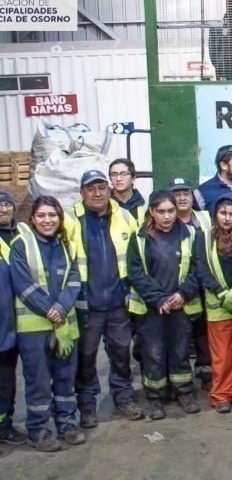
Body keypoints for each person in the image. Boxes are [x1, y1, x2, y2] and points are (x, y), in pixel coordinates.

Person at [67, 170, 144, 429]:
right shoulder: (70, 219)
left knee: (121, 355)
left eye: (101, 187)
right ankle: (87, 405)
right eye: (91, 189)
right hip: (86, 305)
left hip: (118, 303)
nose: (97, 193)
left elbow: (136, 256)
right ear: (82, 193)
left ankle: (123, 398)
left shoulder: (123, 216)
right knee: (86, 358)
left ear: (109, 189)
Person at [11, 196, 84, 451]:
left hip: (65, 327)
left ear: (59, 218)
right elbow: (22, 284)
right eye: (41, 215)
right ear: (32, 218)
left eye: (52, 215)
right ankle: (38, 431)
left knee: (65, 379)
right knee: (39, 383)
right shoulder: (21, 245)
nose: (47, 220)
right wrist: (49, 310)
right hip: (34, 330)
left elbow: (75, 279)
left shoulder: (66, 245)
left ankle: (67, 424)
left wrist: (61, 307)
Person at [127, 190, 203, 420]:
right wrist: (158, 298)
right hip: (152, 309)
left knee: (180, 351)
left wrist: (182, 294)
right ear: (151, 212)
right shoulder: (140, 238)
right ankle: (156, 398)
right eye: (161, 212)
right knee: (154, 353)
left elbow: (198, 269)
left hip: (181, 305)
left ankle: (183, 393)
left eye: (171, 211)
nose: (167, 216)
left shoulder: (190, 234)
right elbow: (136, 273)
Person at [193, 194, 232, 414]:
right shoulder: (204, 237)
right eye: (222, 213)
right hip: (217, 305)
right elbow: (201, 268)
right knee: (222, 354)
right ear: (215, 214)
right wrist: (221, 292)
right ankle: (222, 396)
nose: (227, 219)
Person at [169, 177, 212, 391]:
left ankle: (206, 373)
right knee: (180, 338)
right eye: (177, 194)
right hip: (178, 290)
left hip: (204, 286)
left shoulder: (205, 218)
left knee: (203, 334)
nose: (182, 198)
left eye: (186, 193)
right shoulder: (166, 221)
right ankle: (181, 382)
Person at [0, 189, 29, 445]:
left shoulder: (25, 233)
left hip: (22, 320)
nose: (3, 209)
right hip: (1, 322)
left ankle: (5, 425)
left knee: (8, 379)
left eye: (7, 204)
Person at [108, 158, 146, 222]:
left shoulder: (146, 204)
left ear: (133, 178)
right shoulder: (104, 205)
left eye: (123, 174)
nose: (118, 179)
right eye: (114, 174)